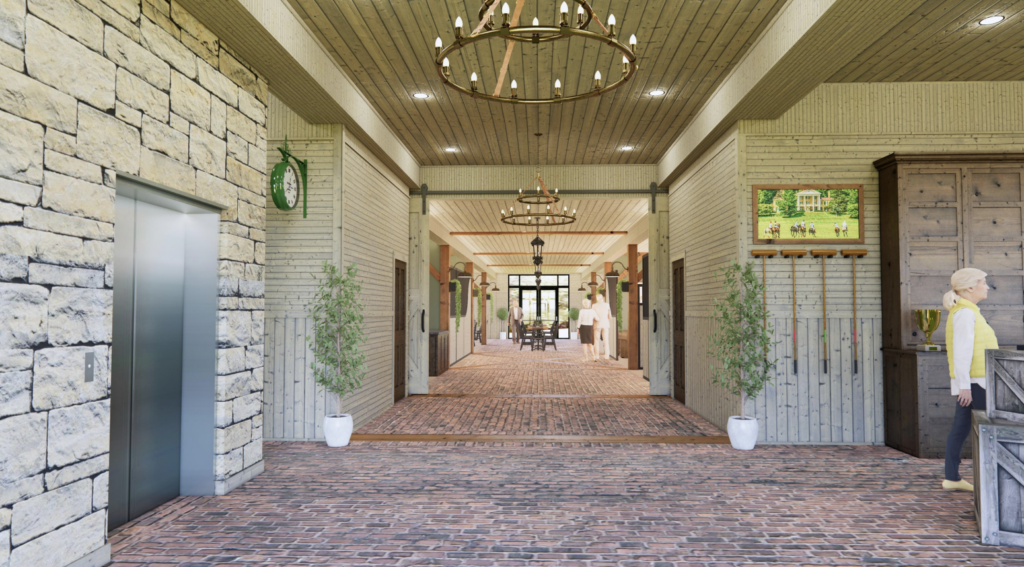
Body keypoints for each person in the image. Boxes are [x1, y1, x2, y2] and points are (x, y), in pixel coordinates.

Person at [941, 268, 996, 492]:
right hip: (975, 383)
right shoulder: (965, 313)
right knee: (988, 431)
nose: (987, 287)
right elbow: (962, 351)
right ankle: (989, 481)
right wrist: (964, 386)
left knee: (961, 428)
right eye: (983, 282)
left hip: (974, 382)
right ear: (970, 287)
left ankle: (952, 478)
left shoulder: (969, 311)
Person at [593, 293, 611, 360]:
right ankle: (607, 357)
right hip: (605, 324)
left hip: (597, 324)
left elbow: (593, 316)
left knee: (596, 341)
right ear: (602, 298)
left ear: (597, 299)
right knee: (606, 341)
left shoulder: (594, 305)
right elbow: (610, 316)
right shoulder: (607, 305)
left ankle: (597, 357)